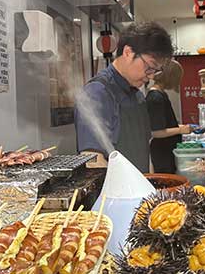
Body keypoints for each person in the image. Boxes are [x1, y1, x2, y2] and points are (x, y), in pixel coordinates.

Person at [74, 22, 174, 172]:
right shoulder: (97, 92)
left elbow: (145, 149)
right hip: (115, 194)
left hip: (142, 191)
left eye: (156, 71)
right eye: (150, 67)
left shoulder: (138, 95)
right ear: (128, 52)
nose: (152, 76)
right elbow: (92, 159)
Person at [146, 60, 192, 174]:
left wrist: (180, 127)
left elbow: (165, 124)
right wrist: (180, 129)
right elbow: (156, 132)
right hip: (162, 153)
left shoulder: (161, 94)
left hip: (168, 151)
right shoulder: (155, 98)